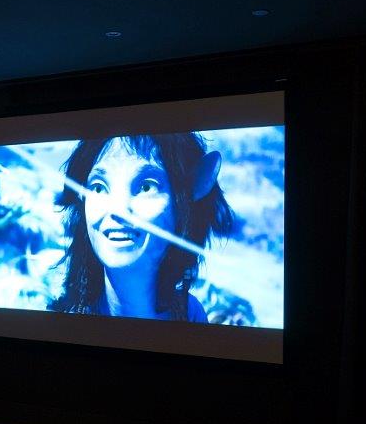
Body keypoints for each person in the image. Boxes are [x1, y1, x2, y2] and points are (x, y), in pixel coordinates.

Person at [52, 133, 234, 321]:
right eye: (98, 188)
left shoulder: (190, 313)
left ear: (182, 207)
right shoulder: (67, 317)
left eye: (147, 187)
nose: (118, 210)